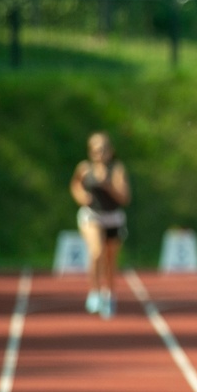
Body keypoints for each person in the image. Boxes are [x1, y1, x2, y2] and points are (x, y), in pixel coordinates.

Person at [69, 131, 131, 319]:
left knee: (110, 261)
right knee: (96, 252)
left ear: (110, 151)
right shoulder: (84, 168)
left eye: (103, 150)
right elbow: (75, 185)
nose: (99, 154)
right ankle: (95, 292)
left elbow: (125, 198)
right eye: (95, 150)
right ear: (90, 152)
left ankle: (109, 295)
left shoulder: (117, 170)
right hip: (92, 216)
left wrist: (108, 186)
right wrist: (81, 196)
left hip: (113, 218)